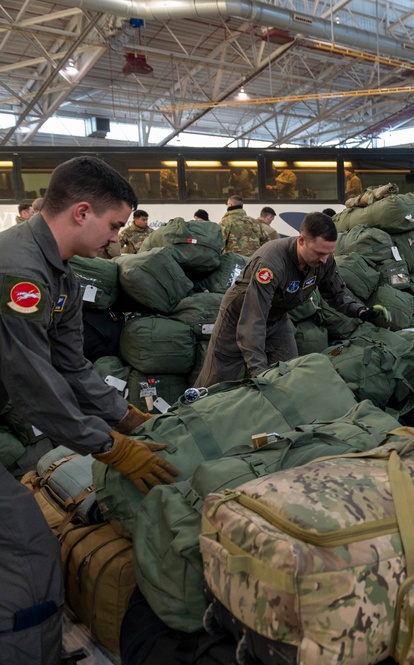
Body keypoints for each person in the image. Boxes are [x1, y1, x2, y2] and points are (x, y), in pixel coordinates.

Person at [0, 156, 178, 664]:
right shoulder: (20, 272)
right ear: (82, 212)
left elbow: (72, 366)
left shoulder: (63, 276)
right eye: (115, 225)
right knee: (26, 544)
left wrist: (128, 418)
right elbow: (34, 384)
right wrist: (111, 448)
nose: (117, 239)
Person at [195, 211, 386, 386]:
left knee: (287, 373)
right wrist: (259, 373)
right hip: (239, 316)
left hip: (277, 317)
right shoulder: (271, 264)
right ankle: (190, 415)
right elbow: (253, 320)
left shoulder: (323, 261)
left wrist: (359, 311)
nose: (324, 260)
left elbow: (335, 294)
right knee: (218, 380)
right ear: (301, 240)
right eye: (319, 253)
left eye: (329, 253)